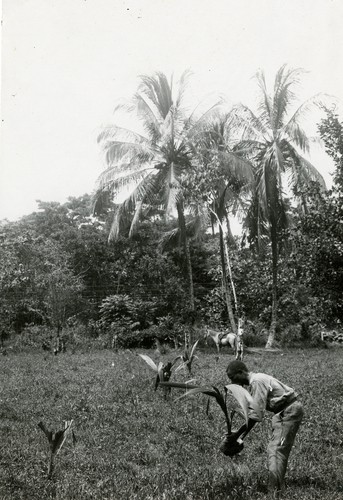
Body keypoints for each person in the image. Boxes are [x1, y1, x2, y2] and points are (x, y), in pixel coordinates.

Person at [223, 360, 304, 496]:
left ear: (241, 372)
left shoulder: (257, 382)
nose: (233, 382)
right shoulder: (256, 381)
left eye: (233, 378)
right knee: (276, 449)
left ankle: (275, 491)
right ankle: (277, 487)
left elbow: (255, 416)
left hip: (288, 410)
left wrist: (237, 435)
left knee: (276, 450)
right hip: (282, 412)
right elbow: (255, 415)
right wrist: (240, 437)